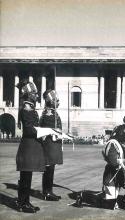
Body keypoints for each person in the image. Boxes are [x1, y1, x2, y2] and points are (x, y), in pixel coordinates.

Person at [16, 81, 45, 213]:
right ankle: (22, 204)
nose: (37, 96)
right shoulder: (26, 109)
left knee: (27, 176)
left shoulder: (30, 108)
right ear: (28, 94)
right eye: (34, 93)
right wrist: (42, 132)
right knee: (25, 177)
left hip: (31, 146)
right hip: (28, 146)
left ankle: (25, 202)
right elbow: (28, 129)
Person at [40, 89, 63, 201]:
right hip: (49, 145)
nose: (58, 102)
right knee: (48, 169)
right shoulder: (49, 113)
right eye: (56, 100)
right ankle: (47, 192)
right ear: (50, 101)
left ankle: (49, 191)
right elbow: (50, 130)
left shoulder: (52, 112)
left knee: (51, 169)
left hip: (53, 145)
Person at [102, 124, 125, 209]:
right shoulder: (112, 143)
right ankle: (82, 196)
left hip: (117, 174)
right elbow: (113, 161)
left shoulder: (119, 144)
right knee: (110, 202)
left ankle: (123, 199)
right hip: (111, 174)